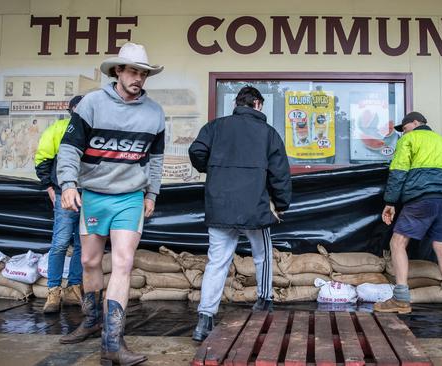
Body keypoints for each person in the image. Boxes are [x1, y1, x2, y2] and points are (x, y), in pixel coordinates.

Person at [56, 42, 165, 365]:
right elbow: (69, 148)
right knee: (90, 262)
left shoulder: (154, 113)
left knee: (123, 263)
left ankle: (112, 342)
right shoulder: (91, 104)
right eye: (133, 71)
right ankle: (91, 321)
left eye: (143, 73)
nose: (138, 78)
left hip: (131, 197)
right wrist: (67, 184)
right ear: (118, 71)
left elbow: (156, 160)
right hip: (93, 195)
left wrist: (151, 194)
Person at [188, 86, 291, 342]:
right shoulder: (268, 133)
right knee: (263, 255)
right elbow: (280, 173)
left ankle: (205, 319)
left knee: (217, 262)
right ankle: (264, 302)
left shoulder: (215, 127)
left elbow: (196, 151)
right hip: (254, 204)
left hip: (220, 203)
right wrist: (281, 203)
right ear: (257, 104)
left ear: (237, 103)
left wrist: (214, 170)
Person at [373, 111, 442, 315]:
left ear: (415, 123)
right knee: (441, 246)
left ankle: (401, 299)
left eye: (404, 128)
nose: (403, 133)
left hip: (421, 198)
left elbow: (399, 170)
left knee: (397, 242)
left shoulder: (410, 139)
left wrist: (390, 202)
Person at [34, 95, 84, 313]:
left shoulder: (95, 131)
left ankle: (74, 289)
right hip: (64, 192)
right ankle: (54, 291)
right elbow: (43, 158)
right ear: (72, 109)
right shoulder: (58, 128)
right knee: (61, 242)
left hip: (90, 194)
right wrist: (50, 187)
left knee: (84, 244)